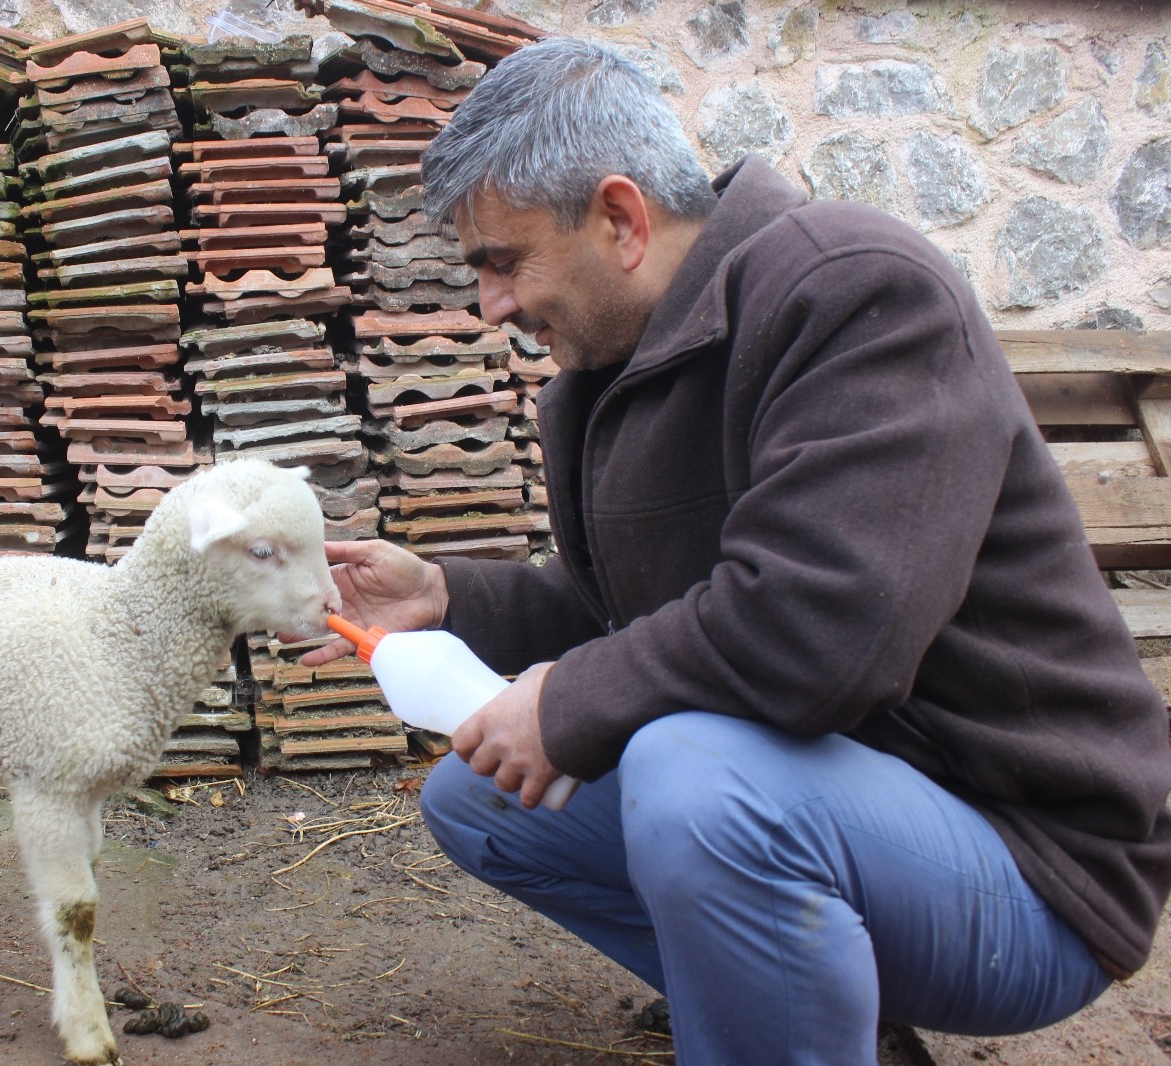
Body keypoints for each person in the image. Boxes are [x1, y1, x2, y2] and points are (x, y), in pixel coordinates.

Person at [302, 35, 1171, 1065]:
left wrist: (566, 703)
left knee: (695, 776)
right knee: (481, 800)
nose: (492, 304)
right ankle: (806, 1016)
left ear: (620, 217)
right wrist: (447, 598)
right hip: (852, 807)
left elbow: (824, 632)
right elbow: (628, 618)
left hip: (1032, 865)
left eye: (504, 260)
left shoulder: (855, 293)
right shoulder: (604, 381)